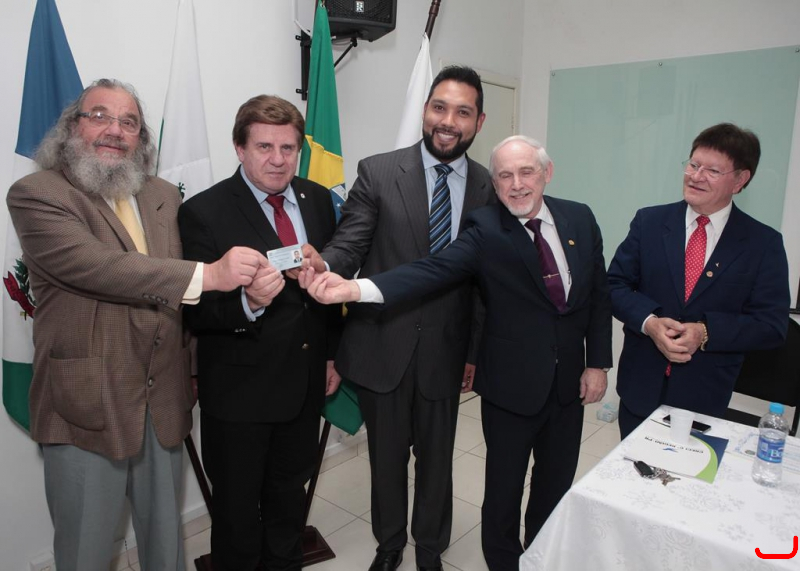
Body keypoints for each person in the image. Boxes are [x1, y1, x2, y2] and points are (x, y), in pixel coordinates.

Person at [301, 135, 613, 571]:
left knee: (555, 483)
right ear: (494, 184)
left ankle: (541, 557)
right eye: (505, 176)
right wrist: (357, 289)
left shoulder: (580, 218)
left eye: (526, 172)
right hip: (511, 385)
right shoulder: (486, 228)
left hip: (569, 384)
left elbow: (597, 294)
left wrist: (597, 363)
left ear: (547, 172)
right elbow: (432, 270)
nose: (517, 184)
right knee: (503, 491)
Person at [6, 78, 269, 571]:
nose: (115, 130)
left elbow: (177, 301)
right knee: (85, 549)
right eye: (100, 116)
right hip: (88, 402)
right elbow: (97, 267)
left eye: (129, 122)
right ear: (72, 127)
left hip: (163, 395)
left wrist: (195, 364)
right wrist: (210, 275)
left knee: (165, 542)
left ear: (141, 138)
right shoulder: (37, 193)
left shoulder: (162, 194)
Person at [304, 65, 494, 571]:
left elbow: (482, 284)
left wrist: (474, 352)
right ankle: (389, 545)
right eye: (439, 107)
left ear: (478, 122)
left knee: (437, 461)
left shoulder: (488, 186)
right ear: (426, 110)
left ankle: (429, 548)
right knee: (386, 461)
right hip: (382, 344)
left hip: (447, 351)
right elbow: (350, 243)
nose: (448, 121)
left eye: (463, 112)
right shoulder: (379, 171)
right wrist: (325, 266)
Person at [178, 94, 342, 571]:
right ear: (239, 148)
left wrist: (331, 354)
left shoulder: (318, 200)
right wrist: (248, 303)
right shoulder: (204, 211)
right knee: (237, 517)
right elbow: (194, 312)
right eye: (264, 147)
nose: (278, 159)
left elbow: (327, 289)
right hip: (240, 396)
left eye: (288, 148)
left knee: (289, 504)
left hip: (304, 387)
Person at [608, 123, 790, 439]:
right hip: (640, 388)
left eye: (712, 171)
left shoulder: (762, 243)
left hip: (705, 397)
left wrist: (705, 332)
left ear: (740, 180)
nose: (696, 176)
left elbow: (771, 325)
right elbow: (614, 286)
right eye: (693, 165)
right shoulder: (649, 222)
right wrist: (650, 323)